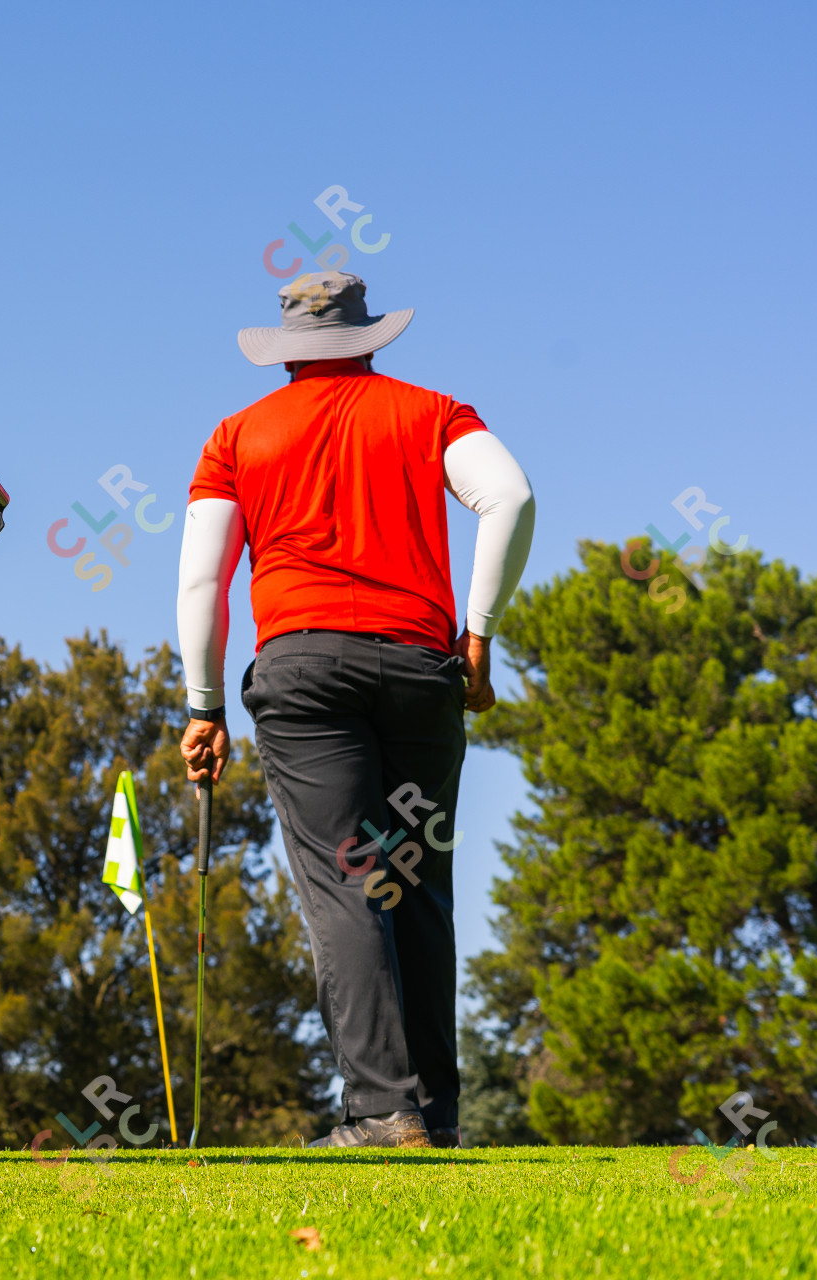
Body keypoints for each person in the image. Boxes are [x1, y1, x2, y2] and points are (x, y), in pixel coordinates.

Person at [176, 272, 535, 1148]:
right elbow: (512, 499)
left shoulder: (237, 435)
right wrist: (478, 637)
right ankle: (434, 1114)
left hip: (302, 673)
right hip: (419, 668)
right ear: (370, 340)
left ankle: (381, 1111)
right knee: (415, 885)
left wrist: (204, 705)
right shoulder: (435, 412)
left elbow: (201, 579)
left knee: (347, 880)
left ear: (287, 349)